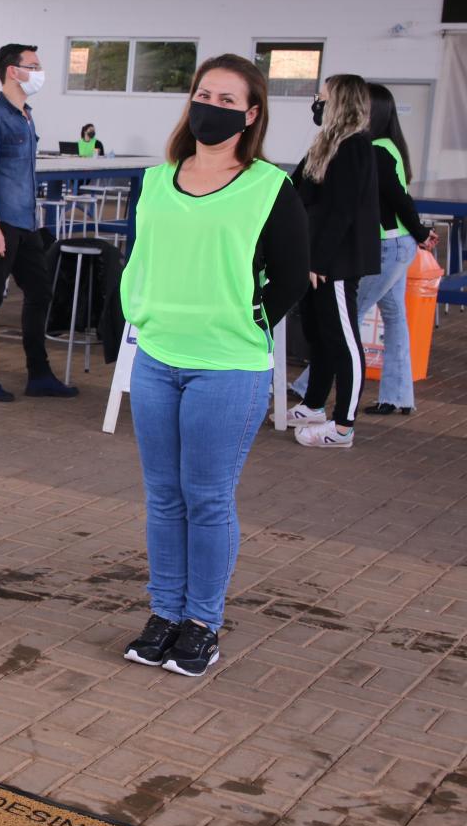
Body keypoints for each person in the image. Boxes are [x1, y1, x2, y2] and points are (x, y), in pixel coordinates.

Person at [120, 54, 308, 678]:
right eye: (205, 94)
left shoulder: (268, 187)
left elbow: (290, 276)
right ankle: (165, 613)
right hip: (156, 359)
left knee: (206, 498)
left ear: (252, 115)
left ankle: (202, 622)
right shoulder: (154, 180)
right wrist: (137, 314)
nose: (212, 107)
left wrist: (249, 321)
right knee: (164, 498)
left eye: (228, 101)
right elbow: (140, 256)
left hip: (227, 368)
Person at [289, 83, 437, 415]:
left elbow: (390, 200)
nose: (318, 104)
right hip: (389, 245)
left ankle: (330, 408)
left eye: (323, 99)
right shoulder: (355, 145)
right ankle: (396, 396)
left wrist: (420, 231)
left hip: (385, 246)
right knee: (388, 319)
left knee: (342, 324)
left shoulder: (368, 148)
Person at [0, 43, 77, 403]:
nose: (39, 72)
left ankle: (39, 374)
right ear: (14, 71)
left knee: (41, 293)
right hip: (0, 224)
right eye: (34, 65)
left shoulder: (26, 115)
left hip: (26, 224)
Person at [287, 75, 381, 448]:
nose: (317, 103)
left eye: (322, 98)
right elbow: (299, 190)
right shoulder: (325, 145)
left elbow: (341, 211)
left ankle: (343, 426)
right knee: (319, 335)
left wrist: (320, 262)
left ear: (339, 103)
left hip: (335, 263)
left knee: (343, 341)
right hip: (317, 258)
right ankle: (313, 405)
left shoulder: (353, 147)